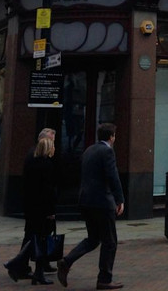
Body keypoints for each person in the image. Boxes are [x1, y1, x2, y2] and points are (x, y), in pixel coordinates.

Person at [57, 123, 125, 290]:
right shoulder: (107, 151)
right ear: (111, 137)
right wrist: (120, 199)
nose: (115, 138)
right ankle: (104, 279)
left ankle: (66, 261)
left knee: (93, 238)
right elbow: (112, 176)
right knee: (110, 241)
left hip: (86, 201)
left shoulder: (89, 150)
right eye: (114, 135)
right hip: (102, 201)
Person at [4, 128, 56, 283]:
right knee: (40, 238)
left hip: (31, 205)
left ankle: (23, 267)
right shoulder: (44, 162)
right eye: (51, 141)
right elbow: (47, 189)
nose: (53, 145)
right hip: (41, 208)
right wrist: (51, 210)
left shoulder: (31, 157)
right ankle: (22, 266)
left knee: (32, 237)